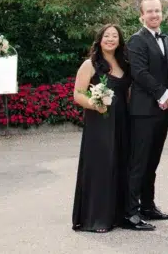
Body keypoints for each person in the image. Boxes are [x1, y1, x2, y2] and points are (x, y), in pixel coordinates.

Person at [72, 24, 131, 233]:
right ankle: (95, 218)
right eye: (107, 36)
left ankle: (116, 215)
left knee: (119, 163)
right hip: (100, 121)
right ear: (100, 39)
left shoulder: (124, 62)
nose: (111, 39)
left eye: (115, 36)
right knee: (101, 166)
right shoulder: (90, 64)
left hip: (122, 120)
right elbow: (78, 94)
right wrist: (95, 104)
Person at [124, 0, 168, 231]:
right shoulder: (137, 40)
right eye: (150, 11)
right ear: (141, 16)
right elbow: (139, 72)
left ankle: (148, 206)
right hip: (143, 110)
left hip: (162, 111)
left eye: (157, 10)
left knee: (152, 161)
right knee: (139, 161)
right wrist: (162, 94)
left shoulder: (167, 40)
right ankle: (130, 213)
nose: (154, 15)